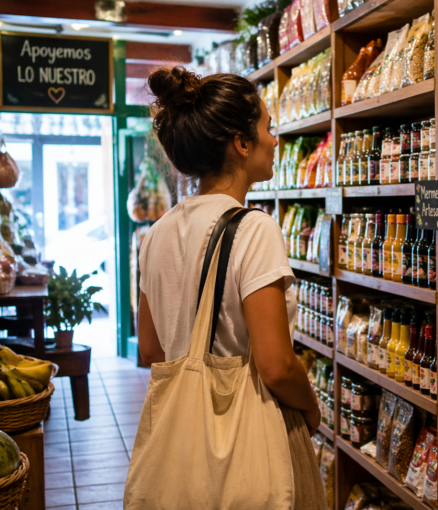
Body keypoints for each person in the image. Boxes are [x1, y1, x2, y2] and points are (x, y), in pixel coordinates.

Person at [129, 66, 325, 508]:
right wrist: (311, 410)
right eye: (267, 128)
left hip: (180, 442)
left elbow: (151, 352)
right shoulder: (253, 229)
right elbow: (275, 365)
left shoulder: (154, 235)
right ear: (241, 143)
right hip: (249, 442)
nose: (275, 140)